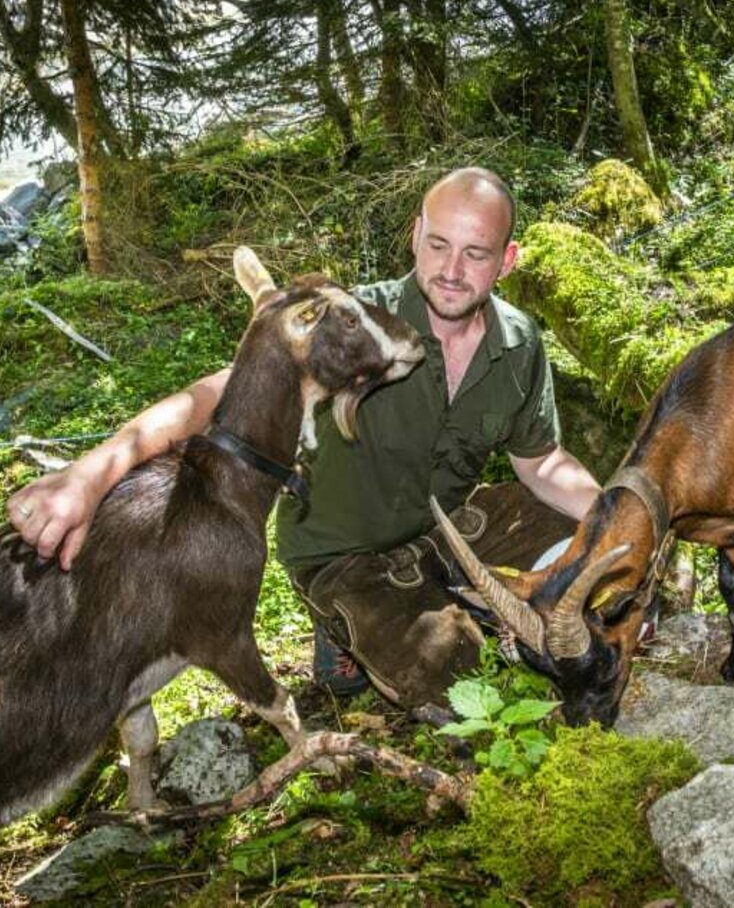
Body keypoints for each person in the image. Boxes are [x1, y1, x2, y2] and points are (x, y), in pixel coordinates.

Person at [7, 167, 602, 698]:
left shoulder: (519, 343)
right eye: (439, 243)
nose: (450, 271)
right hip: (346, 556)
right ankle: (347, 622)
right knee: (466, 684)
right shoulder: (351, 323)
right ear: (416, 234)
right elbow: (212, 394)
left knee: (595, 540)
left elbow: (543, 462)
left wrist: (619, 512)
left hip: (446, 529)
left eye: (476, 254)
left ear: (508, 259)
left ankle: (448, 595)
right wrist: (89, 475)